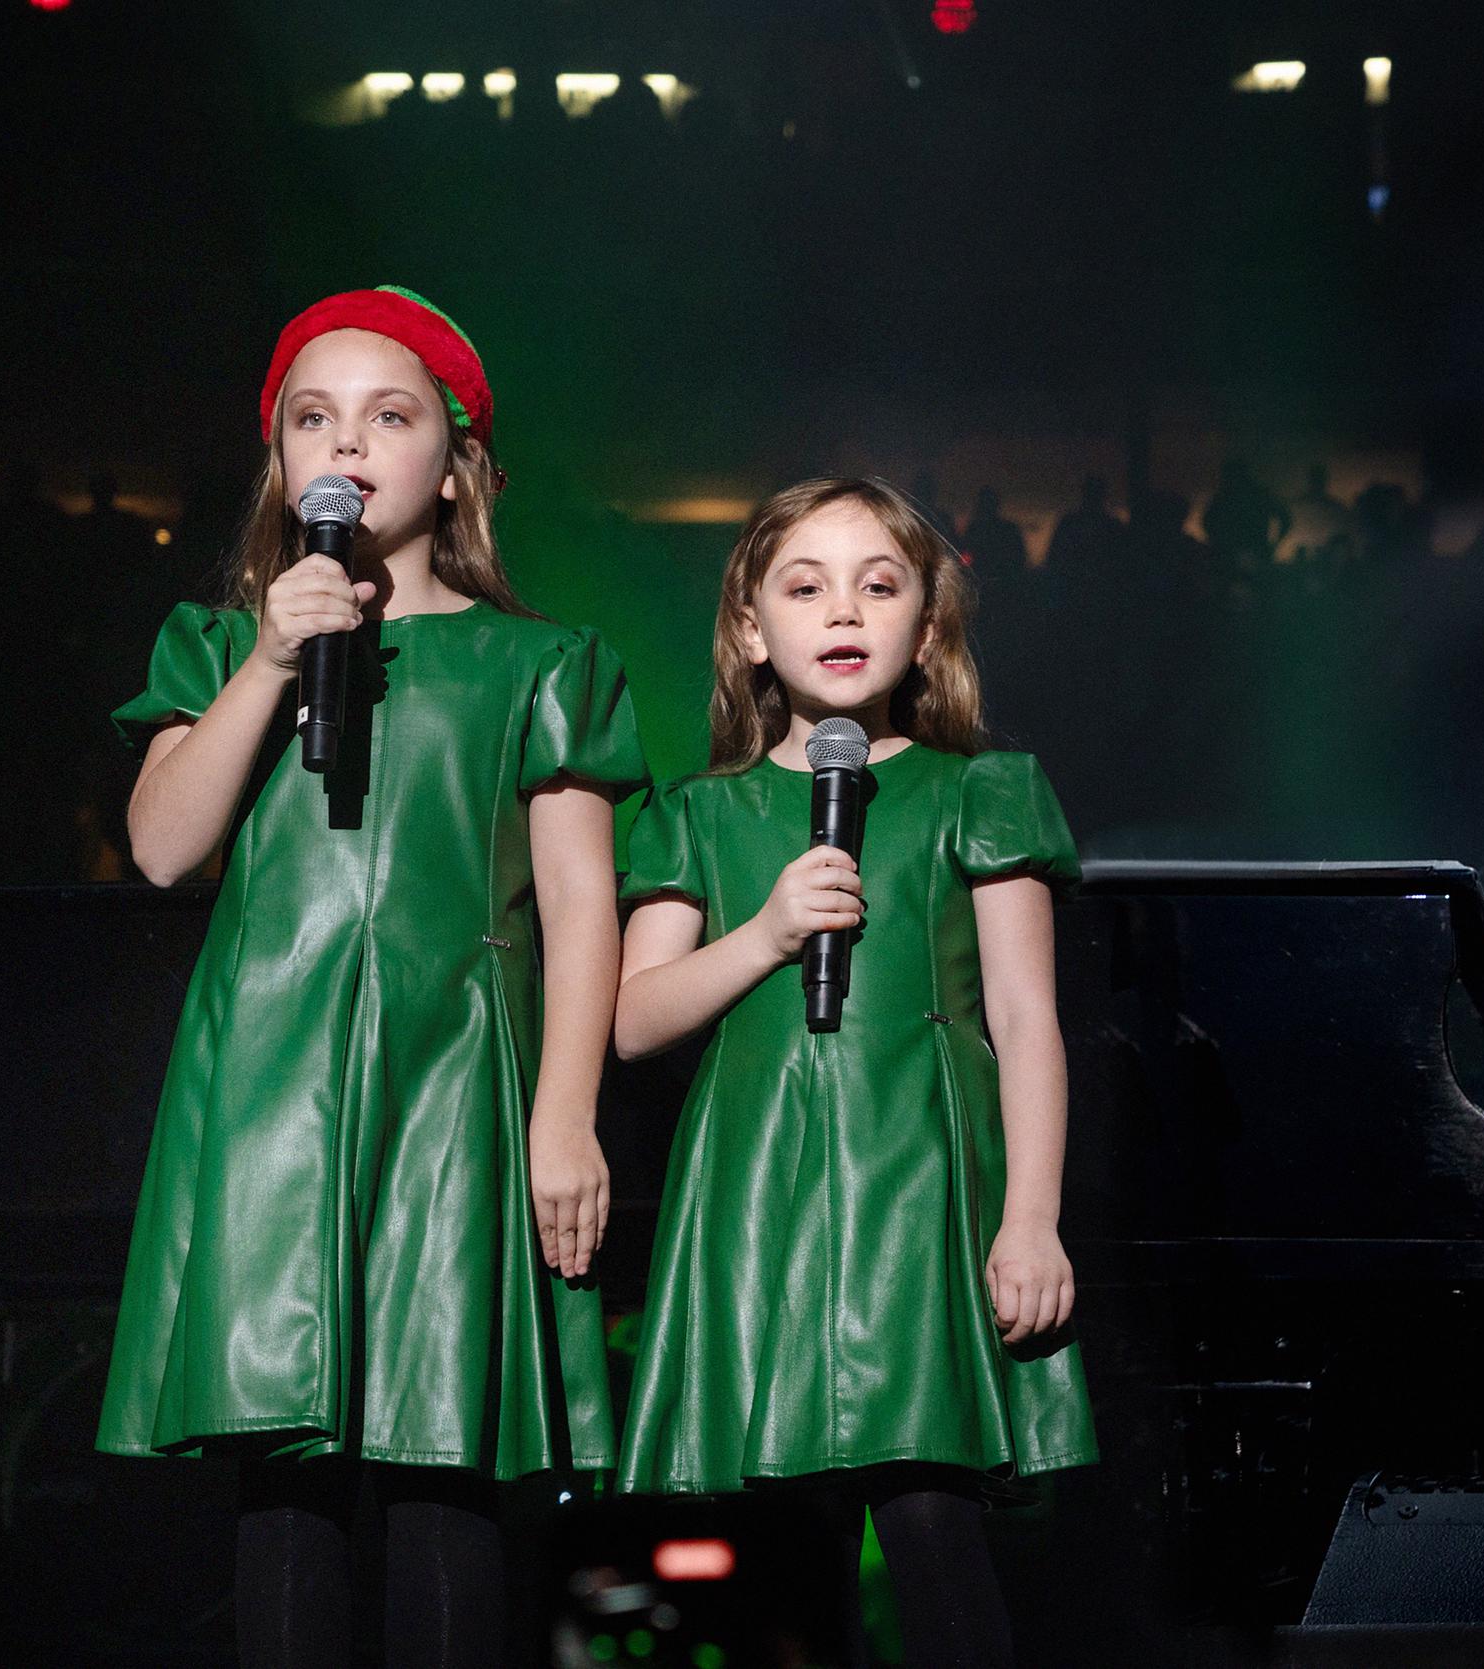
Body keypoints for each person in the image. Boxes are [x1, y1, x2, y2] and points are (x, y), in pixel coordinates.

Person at [96, 287, 646, 1666]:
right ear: (280, 461)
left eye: (388, 415)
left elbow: (584, 906)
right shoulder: (221, 646)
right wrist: (277, 657)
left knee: (439, 1456)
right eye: (312, 418)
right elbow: (162, 849)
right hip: (268, 1092)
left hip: (453, 1085)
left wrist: (565, 1112)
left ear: (455, 463)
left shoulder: (542, 665)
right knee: (285, 1471)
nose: (347, 444)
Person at [612, 477, 1096, 1669]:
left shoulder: (977, 790)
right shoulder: (700, 815)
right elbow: (632, 1019)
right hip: (756, 1190)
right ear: (749, 626)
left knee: (930, 1521)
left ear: (925, 630)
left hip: (917, 1184)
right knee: (769, 1552)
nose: (844, 611)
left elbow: (1027, 1019)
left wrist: (1030, 1219)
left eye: (879, 586)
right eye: (806, 584)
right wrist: (768, 934)